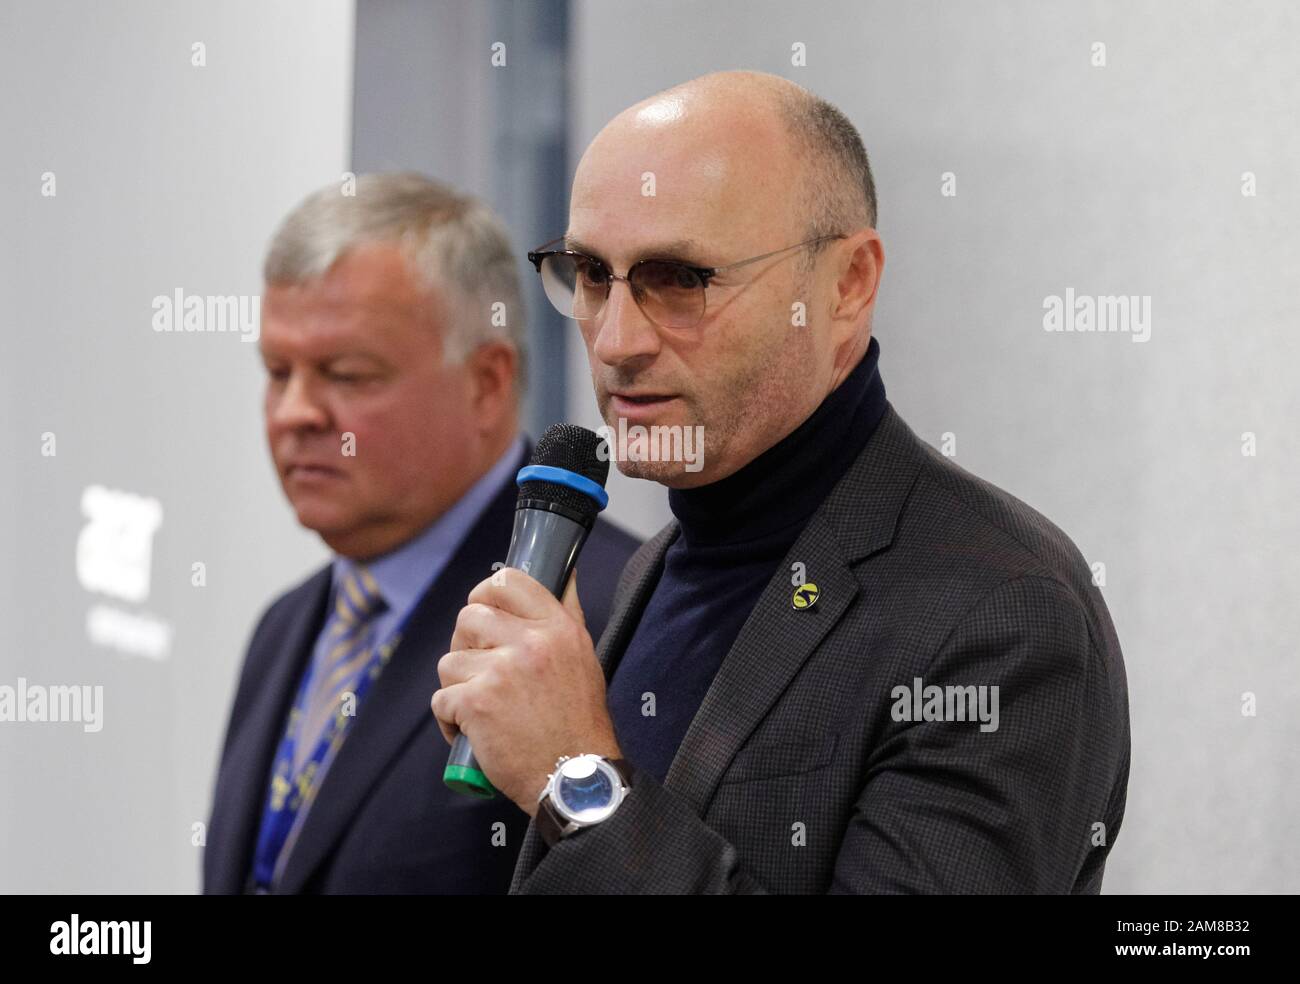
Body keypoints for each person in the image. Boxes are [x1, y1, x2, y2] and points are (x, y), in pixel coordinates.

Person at [430, 72, 1131, 894]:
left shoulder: (1001, 612)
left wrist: (575, 781)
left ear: (847, 286)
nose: (616, 341)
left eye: (680, 279)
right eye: (590, 273)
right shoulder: (653, 569)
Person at [203, 173, 640, 894]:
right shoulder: (283, 627)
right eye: (278, 372)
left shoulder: (603, 616)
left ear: (487, 384)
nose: (294, 413)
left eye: (345, 374)